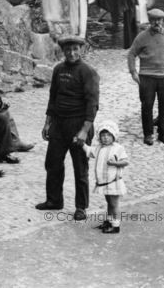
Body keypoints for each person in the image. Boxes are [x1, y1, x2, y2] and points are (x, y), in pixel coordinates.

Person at [36, 36, 99, 221]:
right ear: (63, 51)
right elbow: (52, 97)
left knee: (80, 167)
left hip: (79, 124)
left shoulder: (88, 72)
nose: (71, 53)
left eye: (75, 49)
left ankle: (81, 206)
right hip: (58, 124)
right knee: (53, 163)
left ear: (81, 49)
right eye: (68, 50)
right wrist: (48, 122)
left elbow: (93, 104)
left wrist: (84, 131)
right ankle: (54, 200)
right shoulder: (58, 69)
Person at [127, 8, 164, 146]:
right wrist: (133, 72)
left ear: (163, 21)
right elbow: (131, 54)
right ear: (150, 21)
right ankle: (148, 134)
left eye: (160, 19)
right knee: (147, 105)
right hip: (147, 77)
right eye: (154, 20)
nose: (157, 22)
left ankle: (163, 133)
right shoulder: (141, 37)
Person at [83, 120, 128, 234]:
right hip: (104, 182)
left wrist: (115, 163)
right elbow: (90, 151)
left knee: (114, 204)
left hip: (114, 182)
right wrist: (81, 143)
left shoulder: (118, 148)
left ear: (114, 136)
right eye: (103, 135)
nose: (105, 138)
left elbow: (125, 162)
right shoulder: (99, 148)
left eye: (108, 135)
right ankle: (109, 220)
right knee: (109, 202)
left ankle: (116, 225)